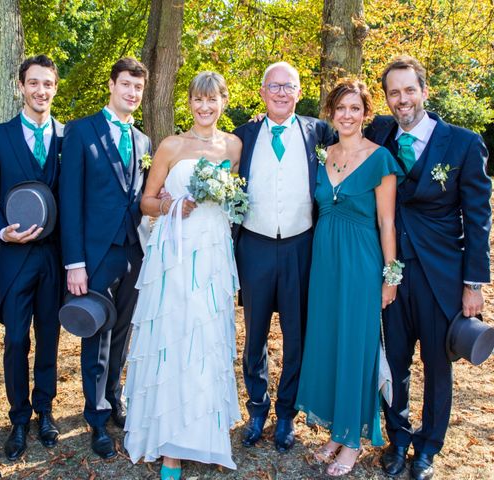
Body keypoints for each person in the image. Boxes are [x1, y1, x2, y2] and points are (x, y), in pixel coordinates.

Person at [364, 55, 491, 480]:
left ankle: (428, 447)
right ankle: (397, 439)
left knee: (438, 367)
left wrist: (474, 283)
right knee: (393, 361)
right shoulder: (378, 133)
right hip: (390, 271)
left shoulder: (462, 143)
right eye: (393, 93)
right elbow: (338, 130)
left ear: (424, 90)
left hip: (441, 275)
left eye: (409, 90)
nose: (402, 100)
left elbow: (478, 218)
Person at [124, 71, 242, 480]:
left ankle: (205, 431)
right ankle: (171, 446)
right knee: (175, 336)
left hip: (213, 253)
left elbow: (234, 198)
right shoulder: (171, 145)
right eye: (198, 100)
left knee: (207, 337)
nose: (205, 107)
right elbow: (146, 202)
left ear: (223, 101)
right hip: (174, 254)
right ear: (189, 102)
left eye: (212, 100)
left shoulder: (233, 145)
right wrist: (171, 207)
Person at [294, 79, 402, 476]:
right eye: (340, 108)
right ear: (331, 112)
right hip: (324, 264)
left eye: (355, 108)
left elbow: (387, 223)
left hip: (362, 263)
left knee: (358, 348)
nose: (347, 115)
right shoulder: (323, 155)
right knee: (330, 342)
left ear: (366, 113)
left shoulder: (381, 159)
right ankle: (337, 434)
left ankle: (353, 441)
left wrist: (391, 276)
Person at [233, 62, 334, 452]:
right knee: (254, 335)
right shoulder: (243, 135)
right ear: (262, 92)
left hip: (300, 246)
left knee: (297, 337)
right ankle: (257, 408)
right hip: (254, 246)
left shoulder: (319, 132)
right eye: (273, 86)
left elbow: (361, 129)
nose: (280, 92)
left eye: (288, 86)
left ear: (298, 91)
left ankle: (287, 414)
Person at [59, 57, 151, 459]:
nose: (132, 93)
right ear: (111, 85)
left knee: (123, 332)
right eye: (126, 85)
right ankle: (95, 416)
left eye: (138, 88)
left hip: (134, 251)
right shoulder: (80, 131)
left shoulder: (144, 141)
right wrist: (74, 262)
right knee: (96, 334)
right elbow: (70, 200)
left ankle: (114, 399)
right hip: (94, 255)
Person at [0, 55, 63, 461]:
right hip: (16, 258)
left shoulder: (68, 138)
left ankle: (45, 410)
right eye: (34, 83)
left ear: (55, 88)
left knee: (49, 336)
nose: (40, 90)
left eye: (47, 84)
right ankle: (18, 418)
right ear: (20, 86)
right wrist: (0, 229)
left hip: (55, 257)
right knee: (16, 340)